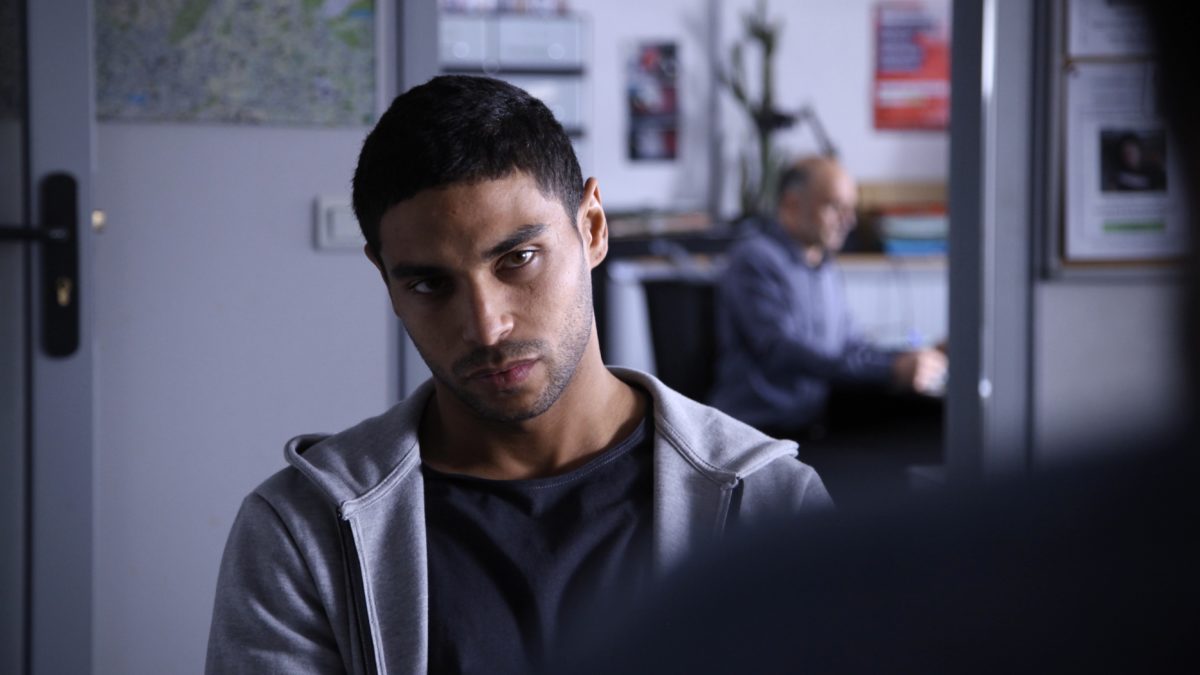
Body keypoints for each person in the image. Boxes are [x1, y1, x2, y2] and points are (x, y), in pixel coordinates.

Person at [204, 75, 832, 674]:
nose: (485, 327)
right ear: (386, 280)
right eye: (430, 285)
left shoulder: (772, 505)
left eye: (518, 259)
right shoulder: (301, 531)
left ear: (592, 228)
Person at [709, 155, 947, 435]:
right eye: (835, 207)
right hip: (757, 434)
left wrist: (911, 357)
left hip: (813, 427)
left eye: (851, 209)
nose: (850, 221)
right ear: (792, 204)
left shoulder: (826, 269)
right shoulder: (755, 260)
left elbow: (852, 348)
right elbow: (783, 352)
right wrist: (891, 370)